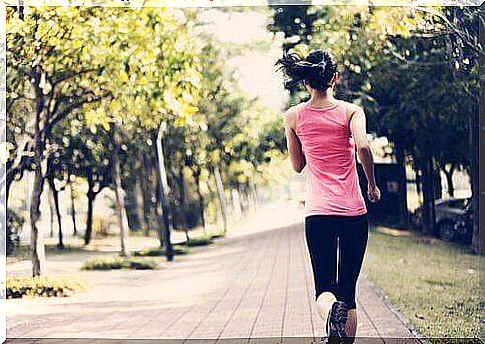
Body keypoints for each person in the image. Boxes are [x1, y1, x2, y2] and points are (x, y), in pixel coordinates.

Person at [276, 50, 381, 343]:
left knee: (324, 288)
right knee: (348, 291)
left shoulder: (293, 116)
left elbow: (297, 166)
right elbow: (363, 147)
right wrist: (371, 185)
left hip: (319, 214)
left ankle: (331, 309)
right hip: (353, 213)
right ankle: (341, 310)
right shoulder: (351, 112)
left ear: (307, 82)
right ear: (335, 78)